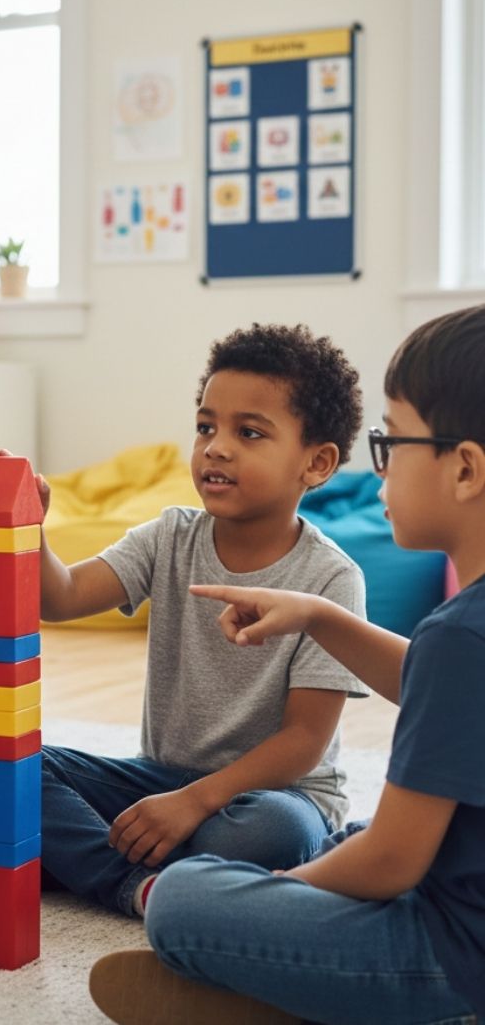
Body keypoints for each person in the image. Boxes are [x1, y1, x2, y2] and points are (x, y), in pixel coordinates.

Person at [89, 305, 485, 1025]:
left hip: (452, 959)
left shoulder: (462, 636)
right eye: (206, 426)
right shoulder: (464, 637)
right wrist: (321, 617)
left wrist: (281, 891)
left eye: (391, 441)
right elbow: (434, 679)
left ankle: (296, 993)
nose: (382, 463)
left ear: (463, 469)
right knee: (351, 834)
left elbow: (391, 864)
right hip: (459, 905)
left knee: (187, 899)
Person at [38, 323, 369, 917]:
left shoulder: (332, 579)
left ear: (316, 463)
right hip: (161, 780)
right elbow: (59, 598)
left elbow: (304, 742)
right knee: (14, 772)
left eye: (248, 432)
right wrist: (27, 530)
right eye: (205, 427)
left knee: (267, 836)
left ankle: (107, 861)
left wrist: (197, 802)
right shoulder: (169, 535)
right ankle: (142, 883)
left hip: (275, 797)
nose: (215, 447)